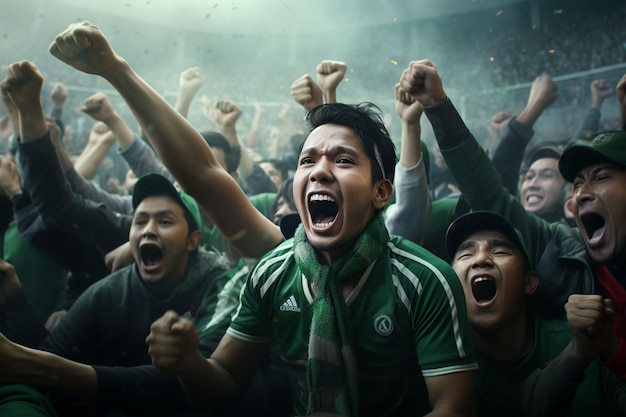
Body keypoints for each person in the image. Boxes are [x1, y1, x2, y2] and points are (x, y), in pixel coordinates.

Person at [446, 210, 626, 416]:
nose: (481, 259)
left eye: (500, 252)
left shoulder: (584, 338)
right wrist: (572, 359)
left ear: (529, 282)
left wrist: (610, 345)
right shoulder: (445, 365)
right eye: (466, 254)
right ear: (451, 285)